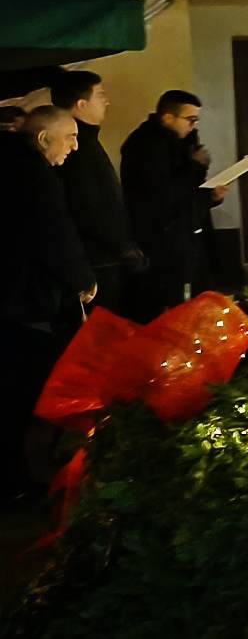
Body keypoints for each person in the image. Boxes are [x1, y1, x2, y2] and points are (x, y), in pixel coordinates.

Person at [1, 106, 96, 496]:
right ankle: (19, 479)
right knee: (24, 393)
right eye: (70, 136)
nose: (75, 146)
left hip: (12, 296)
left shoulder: (12, 167)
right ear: (43, 138)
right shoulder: (36, 177)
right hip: (23, 301)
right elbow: (54, 235)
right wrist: (83, 279)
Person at [50, 70, 139, 317]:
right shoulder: (74, 150)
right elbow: (87, 207)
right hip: (97, 262)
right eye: (100, 95)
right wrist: (121, 246)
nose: (106, 101)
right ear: (81, 104)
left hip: (106, 257)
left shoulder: (88, 142)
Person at [121, 91, 214, 317]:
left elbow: (188, 189)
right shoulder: (148, 146)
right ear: (167, 118)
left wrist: (210, 196)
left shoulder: (181, 143)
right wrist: (194, 166)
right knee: (172, 304)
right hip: (163, 240)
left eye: (196, 121)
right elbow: (162, 194)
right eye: (190, 120)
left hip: (183, 233)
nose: (193, 127)